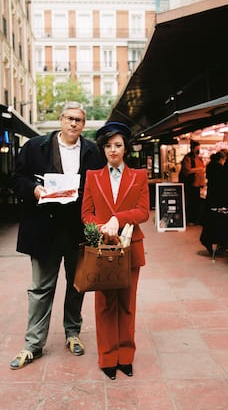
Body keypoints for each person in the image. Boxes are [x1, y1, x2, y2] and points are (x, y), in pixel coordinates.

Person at [9, 101, 103, 370]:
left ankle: (72, 333)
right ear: (60, 119)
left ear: (84, 125)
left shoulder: (92, 151)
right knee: (40, 289)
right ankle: (33, 344)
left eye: (79, 120)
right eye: (69, 118)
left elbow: (98, 187)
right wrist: (35, 190)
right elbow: (17, 178)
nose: (74, 124)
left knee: (77, 286)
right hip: (43, 230)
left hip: (77, 231)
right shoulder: (35, 146)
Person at [81, 121, 150, 380]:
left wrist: (117, 219)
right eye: (108, 146)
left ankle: (126, 357)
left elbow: (143, 211)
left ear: (126, 148)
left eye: (118, 145)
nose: (113, 150)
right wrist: (101, 228)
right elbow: (86, 213)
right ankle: (108, 357)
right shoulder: (92, 176)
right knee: (104, 305)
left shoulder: (139, 176)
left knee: (127, 305)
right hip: (102, 250)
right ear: (103, 149)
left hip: (131, 247)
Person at [179, 140, 206, 225]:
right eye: (197, 148)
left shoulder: (198, 158)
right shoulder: (188, 158)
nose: (198, 150)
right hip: (190, 184)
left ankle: (195, 219)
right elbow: (187, 170)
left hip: (198, 184)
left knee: (196, 202)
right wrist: (198, 169)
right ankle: (190, 219)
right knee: (191, 202)